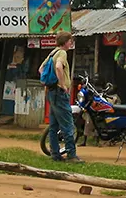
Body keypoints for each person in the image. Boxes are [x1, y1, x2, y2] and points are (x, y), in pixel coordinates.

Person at [39, 32, 82, 163]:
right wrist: (62, 85)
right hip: (59, 92)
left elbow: (41, 69)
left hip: (51, 92)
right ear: (65, 41)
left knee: (54, 125)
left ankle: (55, 154)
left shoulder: (53, 52)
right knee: (68, 124)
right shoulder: (62, 53)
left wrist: (50, 82)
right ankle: (71, 155)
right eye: (70, 41)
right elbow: (58, 67)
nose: (71, 43)